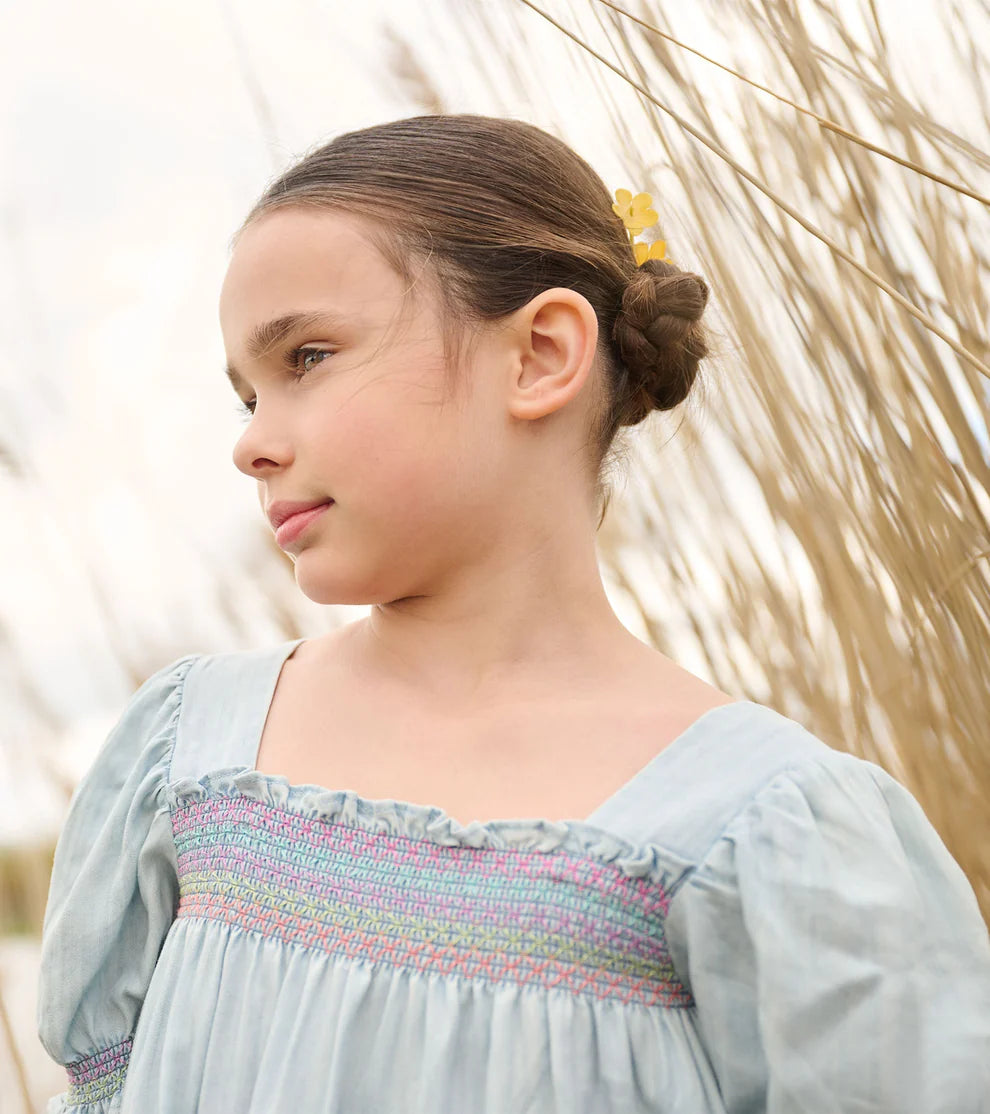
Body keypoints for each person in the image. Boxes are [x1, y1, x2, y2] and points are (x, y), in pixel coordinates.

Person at [36, 113, 990, 1113]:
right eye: (246, 397)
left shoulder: (766, 830)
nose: (253, 445)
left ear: (539, 354)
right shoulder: (192, 756)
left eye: (307, 358)